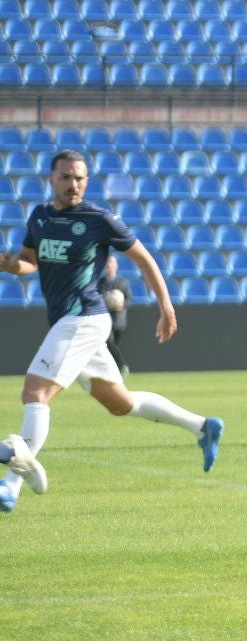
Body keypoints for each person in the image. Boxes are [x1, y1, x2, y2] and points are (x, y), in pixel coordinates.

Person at [0, 149, 224, 513]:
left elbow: (144, 259)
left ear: (86, 181)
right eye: (66, 177)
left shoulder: (98, 219)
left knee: (35, 392)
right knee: (121, 403)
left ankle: (10, 486)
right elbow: (30, 263)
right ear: (52, 179)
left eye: (80, 178)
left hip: (84, 318)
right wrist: (12, 266)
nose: (73, 184)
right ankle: (202, 426)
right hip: (67, 322)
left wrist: (165, 306)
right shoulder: (40, 217)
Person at [97, 253, 133, 375]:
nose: (109, 266)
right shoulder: (100, 282)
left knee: (114, 345)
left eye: (111, 263)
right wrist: (105, 299)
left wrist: (121, 305)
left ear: (116, 265)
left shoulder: (123, 282)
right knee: (109, 342)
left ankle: (113, 372)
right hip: (105, 318)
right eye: (107, 263)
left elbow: (129, 301)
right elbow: (95, 298)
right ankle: (122, 365)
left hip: (119, 319)